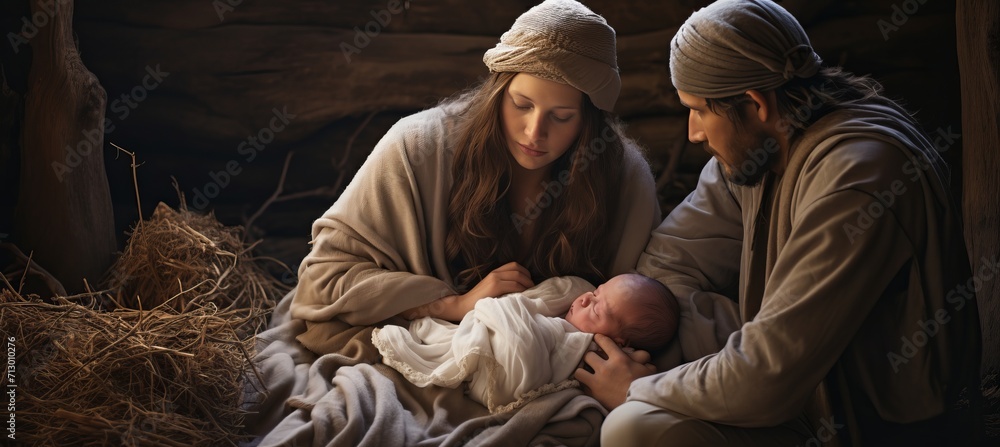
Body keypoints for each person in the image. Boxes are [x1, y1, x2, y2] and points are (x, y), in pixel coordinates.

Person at [575, 0, 983, 446]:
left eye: (699, 110)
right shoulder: (755, 152)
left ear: (754, 104)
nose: (693, 132)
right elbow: (665, 270)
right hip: (793, 399)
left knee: (631, 426)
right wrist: (643, 336)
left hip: (865, 430)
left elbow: (767, 378)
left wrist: (634, 386)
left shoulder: (859, 179)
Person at [286, 0, 660, 354]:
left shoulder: (622, 175)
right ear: (498, 91)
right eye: (521, 105)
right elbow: (323, 282)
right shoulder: (418, 146)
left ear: (590, 123)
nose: (534, 132)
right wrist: (455, 304)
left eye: (561, 117)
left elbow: (647, 311)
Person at [373, 273, 679, 413]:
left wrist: (504, 311)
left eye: (597, 309)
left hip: (510, 372)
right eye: (597, 291)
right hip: (491, 340)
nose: (586, 298)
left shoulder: (592, 350)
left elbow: (530, 355)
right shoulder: (565, 309)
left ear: (617, 340)